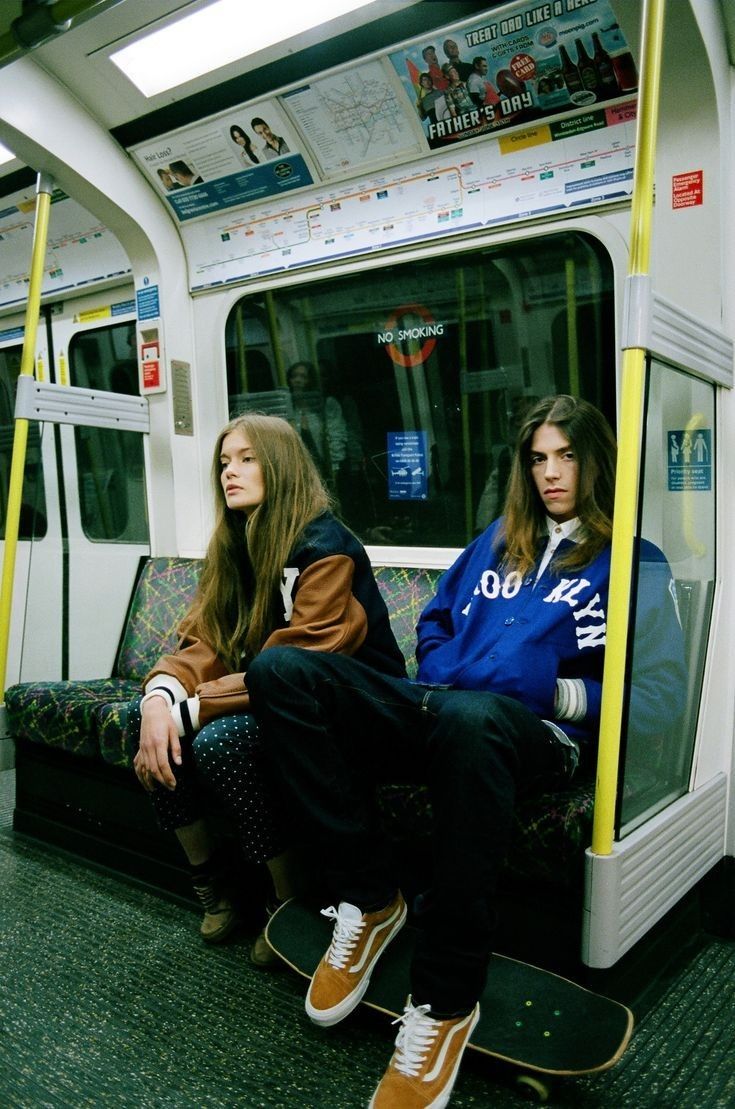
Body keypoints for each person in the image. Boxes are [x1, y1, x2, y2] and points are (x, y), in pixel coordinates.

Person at [247, 396, 686, 1105]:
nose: (551, 473)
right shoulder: (495, 540)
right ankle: (368, 894)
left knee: (478, 717)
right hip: (448, 709)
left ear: (595, 461)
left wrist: (551, 690)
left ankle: (445, 1003)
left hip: (537, 736)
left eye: (566, 456)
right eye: (538, 458)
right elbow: (435, 621)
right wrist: (442, 663)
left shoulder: (636, 559)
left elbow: (662, 697)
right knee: (282, 673)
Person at [129, 412, 405, 964]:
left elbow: (301, 657)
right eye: (225, 462)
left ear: (279, 466)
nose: (230, 472)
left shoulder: (325, 546)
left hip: (352, 706)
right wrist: (160, 695)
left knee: (220, 743)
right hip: (280, 695)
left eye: (248, 459)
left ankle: (287, 902)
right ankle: (211, 883)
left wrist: (192, 710)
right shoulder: (237, 543)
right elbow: (205, 637)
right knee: (152, 729)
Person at [287, 361, 347, 481]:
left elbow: (336, 435)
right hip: (298, 472)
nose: (297, 380)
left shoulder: (326, 405)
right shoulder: (288, 409)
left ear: (311, 381)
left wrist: (334, 466)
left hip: (326, 467)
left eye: (303, 377)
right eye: (294, 376)